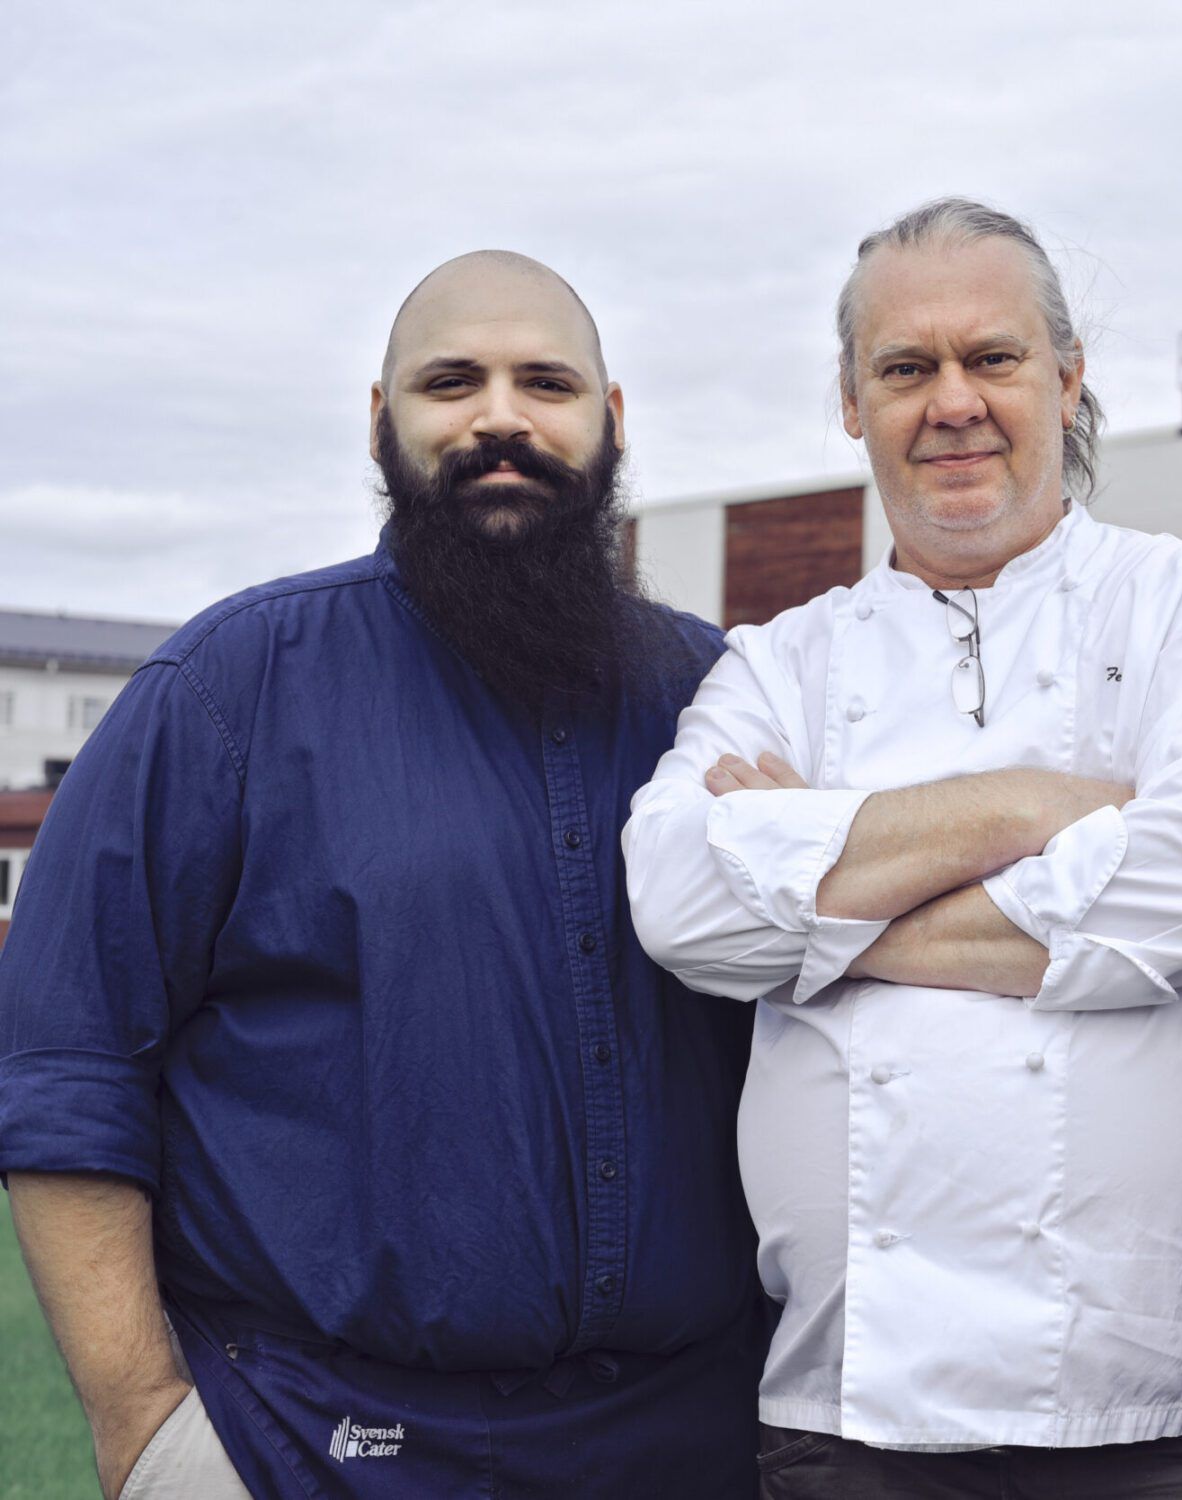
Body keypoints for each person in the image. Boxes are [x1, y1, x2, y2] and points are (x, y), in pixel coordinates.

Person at [0, 251, 767, 1499]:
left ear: (613, 421)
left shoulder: (718, 698)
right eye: (451, 382)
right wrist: (145, 1429)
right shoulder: (229, 689)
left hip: (687, 1446)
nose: (501, 418)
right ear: (380, 421)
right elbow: (64, 1062)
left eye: (547, 383)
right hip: (316, 1444)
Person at [623, 198, 1182, 1497]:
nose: (952, 402)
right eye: (906, 368)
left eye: (991, 358)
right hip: (851, 1414)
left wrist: (822, 911)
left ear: (1066, 377)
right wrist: (1026, 806)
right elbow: (682, 909)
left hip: (1162, 1409)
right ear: (852, 403)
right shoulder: (778, 664)